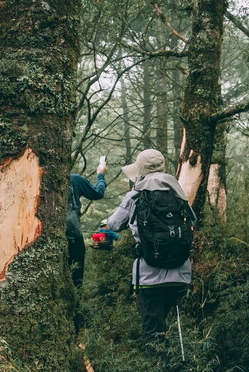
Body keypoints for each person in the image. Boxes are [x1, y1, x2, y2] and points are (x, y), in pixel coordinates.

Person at [106, 149, 193, 354]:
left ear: (141, 170)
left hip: (149, 275)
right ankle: (177, 371)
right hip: (180, 273)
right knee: (169, 327)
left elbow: (114, 223)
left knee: (153, 331)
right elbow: (192, 222)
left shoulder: (136, 195)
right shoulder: (177, 191)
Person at [67, 161, 107, 289]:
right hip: (72, 236)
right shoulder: (74, 179)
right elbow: (97, 193)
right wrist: (101, 175)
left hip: (45, 237)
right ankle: (76, 304)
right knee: (76, 277)